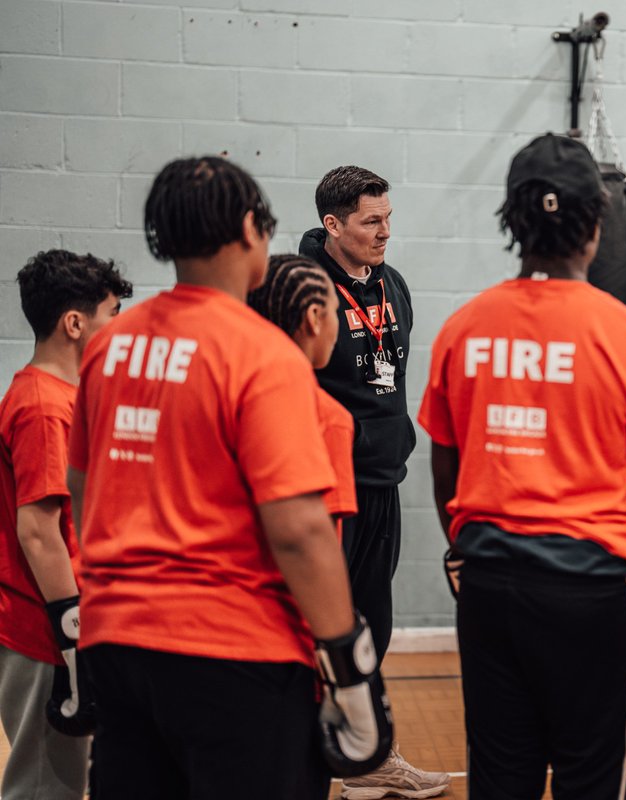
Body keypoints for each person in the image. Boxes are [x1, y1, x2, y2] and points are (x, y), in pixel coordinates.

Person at [68, 156, 392, 799]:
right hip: (234, 652)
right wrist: (350, 669)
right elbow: (299, 530)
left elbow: (83, 489)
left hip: (114, 641)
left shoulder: (110, 344)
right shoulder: (262, 352)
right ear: (250, 228)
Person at [418, 132, 626, 800]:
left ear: (513, 220)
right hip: (597, 592)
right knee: (594, 784)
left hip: (491, 586)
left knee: (500, 780)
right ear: (597, 225)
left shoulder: (464, 328)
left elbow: (445, 467)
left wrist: (464, 549)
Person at [298, 166, 449, 799]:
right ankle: (301, 763)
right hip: (327, 490)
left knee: (372, 626)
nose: (385, 232)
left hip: (383, 481)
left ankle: (366, 762)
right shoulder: (303, 290)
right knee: (318, 632)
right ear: (333, 225)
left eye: (388, 219)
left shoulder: (394, 284)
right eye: (371, 221)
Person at [0, 250, 130, 800]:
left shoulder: (66, 395)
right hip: (43, 634)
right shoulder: (42, 405)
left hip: (64, 627)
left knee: (71, 779)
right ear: (74, 324)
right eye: (112, 314)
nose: (120, 328)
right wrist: (72, 640)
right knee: (44, 786)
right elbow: (37, 532)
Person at [247, 254, 357, 540]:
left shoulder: (234, 397)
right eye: (335, 312)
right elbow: (319, 540)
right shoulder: (327, 417)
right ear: (314, 318)